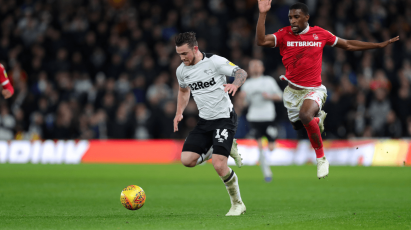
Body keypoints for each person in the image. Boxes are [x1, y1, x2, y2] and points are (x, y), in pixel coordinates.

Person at [256, 1, 399, 179]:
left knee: (305, 115)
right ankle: (317, 119)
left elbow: (347, 44)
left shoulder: (320, 34)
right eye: (290, 17)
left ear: (306, 17)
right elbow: (261, 41)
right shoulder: (284, 34)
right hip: (292, 92)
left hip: (314, 89)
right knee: (298, 124)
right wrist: (263, 14)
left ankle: (321, 158)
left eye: (296, 17)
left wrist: (377, 46)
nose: (292, 21)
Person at [173, 32, 247, 216]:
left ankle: (238, 204)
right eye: (179, 54)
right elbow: (183, 91)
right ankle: (220, 147)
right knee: (186, 160)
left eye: (185, 54)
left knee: (219, 165)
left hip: (224, 118)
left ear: (195, 49)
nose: (182, 58)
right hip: (205, 121)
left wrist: (235, 85)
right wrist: (179, 112)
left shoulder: (214, 62)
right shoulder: (181, 70)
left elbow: (241, 72)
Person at [240, 59, 282, 182]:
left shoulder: (268, 81)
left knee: (271, 147)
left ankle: (267, 164)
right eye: (253, 66)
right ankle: (267, 173)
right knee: (259, 147)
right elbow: (245, 104)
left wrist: (268, 96)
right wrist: (242, 100)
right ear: (249, 69)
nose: (255, 68)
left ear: (262, 68)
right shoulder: (247, 84)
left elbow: (280, 96)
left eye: (258, 66)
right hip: (254, 118)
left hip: (268, 117)